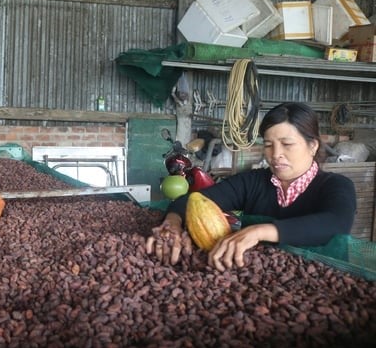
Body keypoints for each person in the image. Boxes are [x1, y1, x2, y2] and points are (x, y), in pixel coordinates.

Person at [146, 102, 356, 271]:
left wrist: (259, 232)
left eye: (287, 144)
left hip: (322, 281)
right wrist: (172, 223)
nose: (276, 154)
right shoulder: (253, 182)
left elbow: (335, 224)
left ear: (313, 145)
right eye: (268, 145)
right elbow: (192, 201)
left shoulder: (336, 186)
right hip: (256, 280)